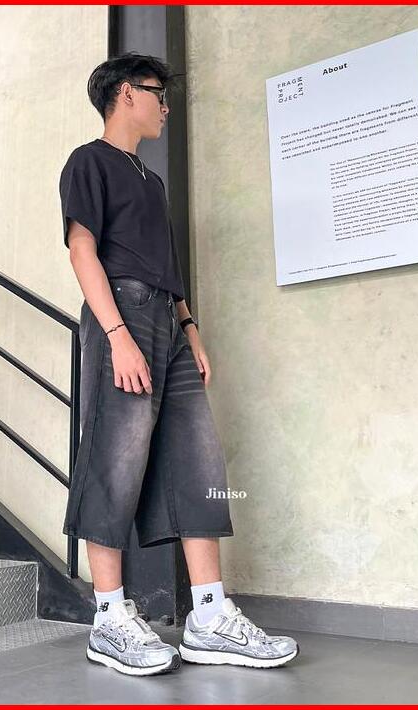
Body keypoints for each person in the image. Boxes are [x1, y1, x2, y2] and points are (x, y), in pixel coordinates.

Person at [59, 52, 300, 676]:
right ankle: (109, 618)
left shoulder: (152, 181)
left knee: (199, 459)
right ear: (123, 94)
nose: (165, 105)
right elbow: (82, 250)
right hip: (123, 315)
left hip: (167, 322)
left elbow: (167, 264)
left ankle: (210, 616)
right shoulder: (89, 161)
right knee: (115, 456)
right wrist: (117, 334)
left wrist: (189, 327)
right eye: (156, 93)